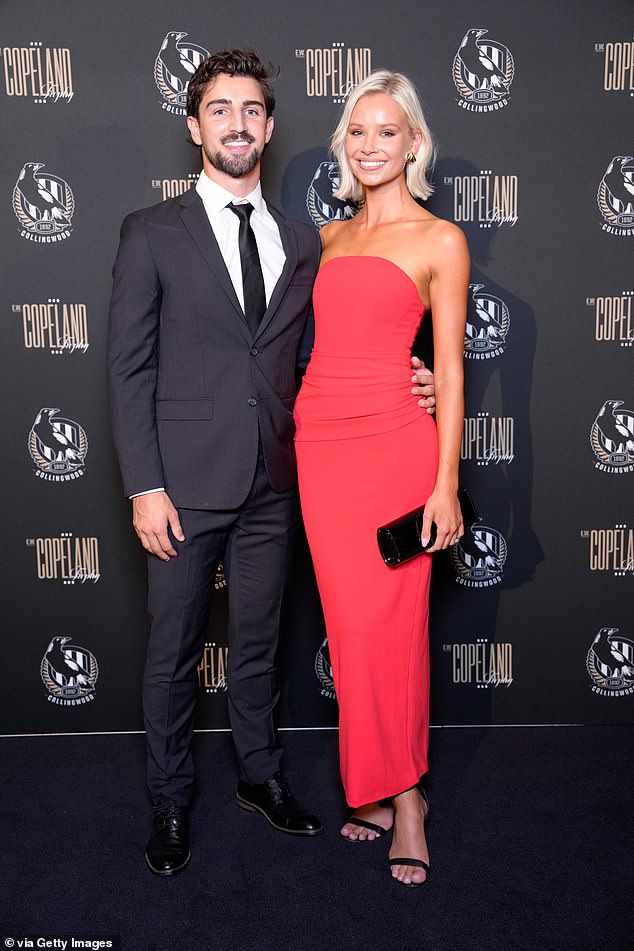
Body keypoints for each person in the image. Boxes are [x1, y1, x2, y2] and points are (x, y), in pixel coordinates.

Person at [107, 49, 437, 877]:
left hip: (280, 479)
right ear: (194, 127)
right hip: (181, 484)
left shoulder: (305, 240)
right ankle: (172, 800)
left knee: (259, 643)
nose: (237, 124)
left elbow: (328, 346)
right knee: (173, 648)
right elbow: (129, 368)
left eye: (252, 110)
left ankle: (260, 776)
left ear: (271, 126)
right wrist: (145, 485)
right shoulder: (150, 232)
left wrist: (412, 373)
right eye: (220, 110)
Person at [294, 70, 469, 887]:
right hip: (322, 448)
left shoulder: (440, 239)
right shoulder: (326, 240)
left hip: (397, 451)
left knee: (395, 628)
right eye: (356, 132)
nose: (370, 146)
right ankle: (370, 782)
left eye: (386, 132)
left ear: (414, 144)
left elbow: (451, 372)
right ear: (345, 146)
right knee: (351, 628)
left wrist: (443, 484)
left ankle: (406, 800)